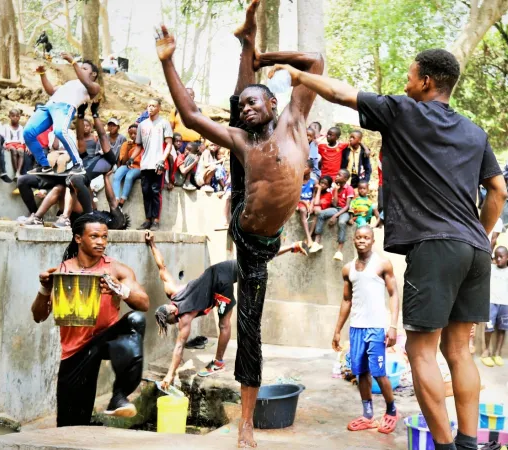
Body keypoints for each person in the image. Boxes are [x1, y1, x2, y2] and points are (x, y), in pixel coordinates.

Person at [276, 47, 507, 450]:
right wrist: (478, 235)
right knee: (460, 352)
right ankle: (469, 444)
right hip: (474, 249)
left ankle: (447, 447)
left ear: (427, 82)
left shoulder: (404, 111)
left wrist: (300, 78)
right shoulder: (475, 132)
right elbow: (498, 191)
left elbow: (339, 93)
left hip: (435, 249)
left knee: (421, 352)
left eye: (410, 75)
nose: (405, 82)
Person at [156, 1, 325, 445]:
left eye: (254, 102)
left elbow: (315, 63)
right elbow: (191, 117)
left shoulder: (294, 119)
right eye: (243, 104)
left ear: (274, 102)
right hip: (246, 234)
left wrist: (263, 58)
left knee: (250, 329)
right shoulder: (241, 137)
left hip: (265, 239)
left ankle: (246, 43)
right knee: (250, 328)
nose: (247, 108)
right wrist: (169, 60)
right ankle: (246, 426)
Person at [30, 213, 149, 426]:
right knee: (70, 423)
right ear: (78, 238)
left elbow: (144, 304)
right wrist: (45, 289)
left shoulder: (115, 269)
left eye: (104, 236)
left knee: (136, 320)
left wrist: (119, 289)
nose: (101, 242)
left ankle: (119, 397)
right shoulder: (63, 271)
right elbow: (39, 316)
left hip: (106, 340)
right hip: (75, 352)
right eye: (94, 236)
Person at [150, 232, 306, 386]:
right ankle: (293, 247)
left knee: (224, 325)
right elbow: (162, 267)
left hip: (221, 288)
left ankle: (218, 363)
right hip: (219, 269)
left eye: (173, 320)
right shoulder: (172, 291)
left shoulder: (184, 318)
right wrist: (152, 244)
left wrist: (169, 375)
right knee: (253, 260)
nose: (176, 321)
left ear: (172, 313)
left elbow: (179, 347)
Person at [331, 226, 400, 434]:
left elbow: (394, 294)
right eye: (359, 237)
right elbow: (346, 300)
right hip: (356, 328)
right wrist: (337, 330)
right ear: (353, 240)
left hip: (376, 327)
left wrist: (393, 326)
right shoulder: (348, 269)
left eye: (366, 237)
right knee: (360, 372)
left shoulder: (382, 264)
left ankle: (391, 411)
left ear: (372, 240)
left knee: (379, 373)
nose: (362, 241)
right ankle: (368, 415)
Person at [24, 54, 101, 175]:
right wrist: (42, 74)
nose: (80, 70)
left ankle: (78, 164)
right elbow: (51, 91)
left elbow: (86, 82)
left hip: (64, 107)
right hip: (49, 106)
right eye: (80, 68)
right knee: (28, 132)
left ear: (93, 74)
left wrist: (73, 62)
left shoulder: (94, 86)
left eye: (84, 68)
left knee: (60, 131)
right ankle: (44, 165)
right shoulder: (71, 83)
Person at [135, 99, 173, 231]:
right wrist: (132, 158)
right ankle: (147, 219)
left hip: (158, 164)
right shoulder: (142, 125)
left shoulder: (164, 123)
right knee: (146, 192)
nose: (150, 108)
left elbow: (169, 143)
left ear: (159, 108)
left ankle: (156, 220)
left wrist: (163, 159)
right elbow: (138, 146)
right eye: (149, 105)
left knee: (156, 192)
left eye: (153, 106)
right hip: (145, 164)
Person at [480, 246, 508, 368]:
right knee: (489, 327)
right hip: (491, 302)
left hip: (504, 304)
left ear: (507, 257)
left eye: (502, 256)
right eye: (496, 257)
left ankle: (498, 352)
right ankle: (486, 351)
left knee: (502, 328)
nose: (499, 259)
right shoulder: (491, 268)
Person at [311, 169, 355, 260]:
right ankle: (317, 242)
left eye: (339, 175)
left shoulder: (349, 189)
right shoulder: (336, 188)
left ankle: (339, 251)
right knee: (321, 214)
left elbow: (347, 206)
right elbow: (335, 204)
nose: (337, 176)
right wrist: (335, 190)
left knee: (342, 222)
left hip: (345, 211)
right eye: (337, 174)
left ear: (345, 178)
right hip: (336, 209)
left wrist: (335, 216)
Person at [112, 124, 141, 208]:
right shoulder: (126, 144)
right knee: (117, 174)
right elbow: (124, 162)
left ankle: (122, 201)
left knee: (129, 176)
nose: (133, 136)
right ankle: (116, 199)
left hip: (138, 168)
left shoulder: (143, 144)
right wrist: (128, 149)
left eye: (135, 133)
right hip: (128, 166)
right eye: (131, 134)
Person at [297, 159, 317, 246]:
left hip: (309, 202)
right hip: (299, 202)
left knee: (318, 211)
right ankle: (309, 238)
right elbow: (294, 197)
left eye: (304, 167)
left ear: (311, 169)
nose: (301, 169)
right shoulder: (297, 180)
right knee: (303, 210)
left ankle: (309, 236)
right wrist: (304, 202)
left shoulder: (314, 181)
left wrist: (311, 205)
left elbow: (314, 196)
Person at [3, 109, 27, 180]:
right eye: (13, 116)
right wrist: (3, 144)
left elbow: (23, 139)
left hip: (19, 143)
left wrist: (26, 145)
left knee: (21, 151)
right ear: (9, 116)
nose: (15, 117)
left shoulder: (22, 127)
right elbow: (3, 137)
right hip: (9, 143)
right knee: (13, 150)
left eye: (17, 116)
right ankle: (16, 171)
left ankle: (18, 172)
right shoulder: (5, 126)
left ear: (19, 117)